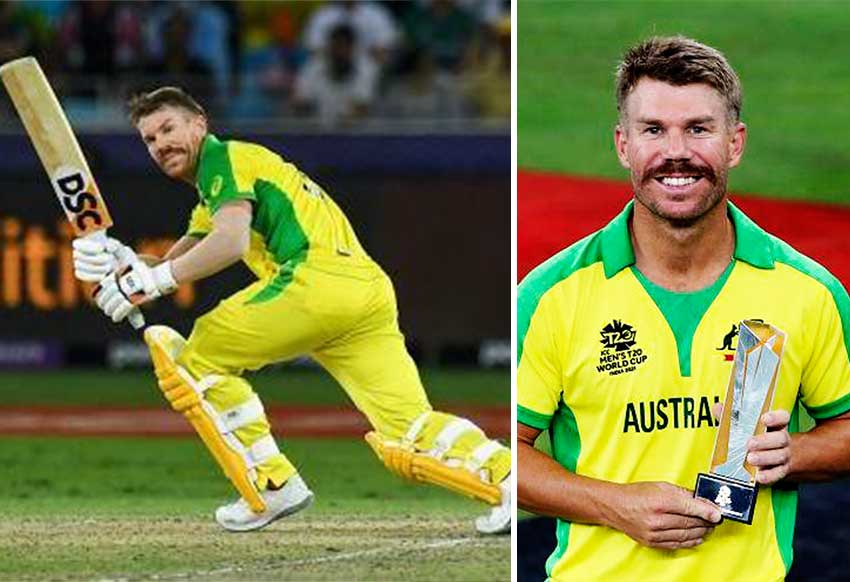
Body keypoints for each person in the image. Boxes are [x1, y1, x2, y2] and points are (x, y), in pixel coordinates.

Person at [71, 86, 511, 535]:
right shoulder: (215, 192)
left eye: (168, 128)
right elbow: (173, 262)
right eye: (149, 139)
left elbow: (229, 243)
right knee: (409, 427)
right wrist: (119, 262)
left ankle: (272, 482)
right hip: (364, 294)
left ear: (199, 123)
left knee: (196, 356)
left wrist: (151, 281)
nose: (161, 143)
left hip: (316, 282)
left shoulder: (226, 160)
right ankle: (512, 480)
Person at [517, 36, 850, 580]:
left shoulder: (809, 290)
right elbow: (511, 455)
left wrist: (795, 455)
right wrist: (615, 505)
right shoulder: (549, 294)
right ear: (623, 145)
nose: (676, 151)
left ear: (734, 143)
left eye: (698, 129)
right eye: (654, 130)